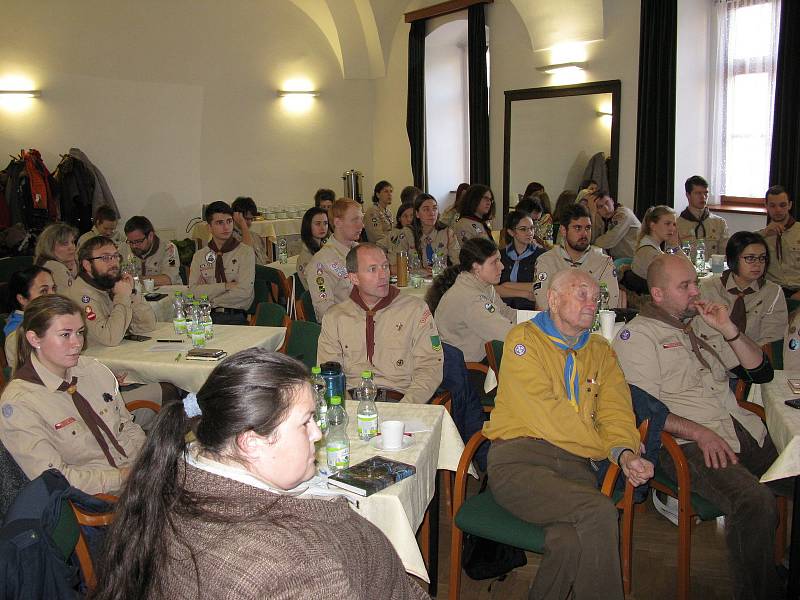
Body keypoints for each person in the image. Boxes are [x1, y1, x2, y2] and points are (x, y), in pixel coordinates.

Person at [91, 349, 428, 600]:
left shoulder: (170, 482)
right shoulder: (289, 568)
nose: (317, 434)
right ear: (251, 442)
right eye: (306, 421)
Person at [614, 253, 784, 600]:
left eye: (695, 282)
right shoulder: (638, 336)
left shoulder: (704, 322)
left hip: (742, 428)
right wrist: (698, 432)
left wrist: (728, 329)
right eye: (685, 286)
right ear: (658, 294)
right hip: (686, 445)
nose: (696, 291)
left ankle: (773, 566)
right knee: (756, 503)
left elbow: (761, 371)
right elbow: (641, 409)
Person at [484, 269, 652, 600]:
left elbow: (616, 411)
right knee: (599, 512)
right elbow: (551, 417)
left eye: (596, 297)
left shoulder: (601, 351)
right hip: (519, 461)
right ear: (553, 299)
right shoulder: (524, 340)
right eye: (581, 295)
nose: (592, 304)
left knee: (568, 541)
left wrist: (626, 452)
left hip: (576, 467)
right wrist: (610, 450)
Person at [0, 295, 145, 495]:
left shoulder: (93, 370)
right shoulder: (20, 403)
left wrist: (148, 461)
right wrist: (123, 477)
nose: (77, 343)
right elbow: (56, 479)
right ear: (35, 339)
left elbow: (126, 425)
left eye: (80, 332)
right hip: (99, 498)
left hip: (140, 478)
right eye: (65, 335)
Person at [317, 243, 443, 403]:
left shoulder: (415, 310)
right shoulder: (335, 317)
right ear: (354, 278)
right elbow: (330, 372)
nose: (383, 275)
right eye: (373, 269)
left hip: (400, 399)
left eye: (385, 266)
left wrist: (407, 407)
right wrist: (347, 408)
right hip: (351, 401)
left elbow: (430, 366)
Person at [427, 237, 516, 362]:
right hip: (465, 370)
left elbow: (505, 313)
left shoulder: (483, 285)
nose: (501, 266)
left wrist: (539, 320)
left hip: (477, 358)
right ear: (476, 267)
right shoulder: (470, 298)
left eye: (499, 260)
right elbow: (506, 333)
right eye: (494, 262)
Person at [65, 236, 156, 347]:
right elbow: (110, 339)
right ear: (87, 265)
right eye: (105, 258)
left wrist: (131, 292)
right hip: (96, 360)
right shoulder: (81, 296)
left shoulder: (107, 283)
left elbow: (147, 326)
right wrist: (122, 297)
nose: (114, 263)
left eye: (116, 256)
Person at [700, 231, 787, 346]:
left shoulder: (773, 292)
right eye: (750, 258)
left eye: (762, 258)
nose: (757, 264)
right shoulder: (709, 287)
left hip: (754, 357)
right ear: (734, 258)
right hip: (713, 355)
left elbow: (772, 339)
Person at [533, 204, 620, 309]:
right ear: (563, 230)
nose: (584, 234)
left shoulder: (604, 263)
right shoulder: (546, 261)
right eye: (578, 228)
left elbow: (609, 303)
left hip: (592, 323)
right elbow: (544, 302)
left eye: (588, 228)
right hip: (555, 324)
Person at [188, 201, 255, 325]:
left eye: (229, 221)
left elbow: (244, 293)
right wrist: (225, 286)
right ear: (209, 227)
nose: (226, 227)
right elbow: (192, 292)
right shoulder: (200, 256)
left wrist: (208, 295)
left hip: (234, 316)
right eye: (220, 223)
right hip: (205, 316)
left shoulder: (245, 253)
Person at [310, 198, 363, 319]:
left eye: (361, 219)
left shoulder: (360, 251)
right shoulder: (321, 262)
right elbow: (325, 310)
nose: (361, 225)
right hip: (347, 326)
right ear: (338, 222)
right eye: (355, 220)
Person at [389, 194, 460, 271]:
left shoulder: (447, 233)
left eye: (434, 208)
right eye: (426, 210)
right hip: (415, 280)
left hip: (441, 279)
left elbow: (458, 263)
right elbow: (393, 267)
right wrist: (420, 271)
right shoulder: (407, 233)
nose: (432, 213)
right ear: (417, 214)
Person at [4, 266, 56, 370]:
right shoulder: (17, 336)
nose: (53, 295)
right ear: (22, 299)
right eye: (44, 291)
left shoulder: (46, 318)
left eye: (53, 288)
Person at [497, 210, 545, 310]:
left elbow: (541, 286)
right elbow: (492, 288)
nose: (529, 233)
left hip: (529, 309)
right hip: (501, 307)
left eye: (531, 228)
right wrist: (525, 293)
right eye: (523, 229)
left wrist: (506, 285)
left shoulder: (542, 255)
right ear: (511, 232)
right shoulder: (500, 255)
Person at [759, 185, 800, 298]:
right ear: (766, 206)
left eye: (782, 205)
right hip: (771, 292)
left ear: (790, 205)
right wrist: (765, 233)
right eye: (772, 206)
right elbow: (739, 254)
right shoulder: (759, 237)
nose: (778, 210)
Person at [676, 175, 730, 256]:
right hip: (688, 268)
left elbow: (725, 255)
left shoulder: (719, 223)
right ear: (688, 195)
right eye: (698, 193)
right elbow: (672, 254)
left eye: (706, 193)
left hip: (714, 267)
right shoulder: (677, 224)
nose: (703, 197)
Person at [123, 216, 182, 285]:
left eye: (138, 241)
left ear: (150, 236)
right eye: (130, 242)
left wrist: (134, 280)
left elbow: (168, 280)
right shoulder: (123, 248)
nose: (134, 246)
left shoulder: (170, 249)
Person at [631, 205, 680, 279]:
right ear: (653, 226)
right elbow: (686, 273)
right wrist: (675, 246)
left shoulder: (651, 245)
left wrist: (674, 246)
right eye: (667, 224)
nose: (672, 228)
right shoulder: (649, 252)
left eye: (674, 224)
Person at [590, 192, 641, 260]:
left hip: (633, 261)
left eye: (607, 203)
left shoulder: (623, 214)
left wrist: (594, 241)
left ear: (612, 201)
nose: (606, 208)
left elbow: (608, 241)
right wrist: (593, 214)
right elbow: (592, 238)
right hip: (620, 260)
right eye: (600, 207)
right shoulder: (602, 218)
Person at [35, 222, 79, 292]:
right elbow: (75, 298)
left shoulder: (44, 262)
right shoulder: (55, 267)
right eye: (64, 243)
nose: (72, 247)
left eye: (73, 242)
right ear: (49, 247)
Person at [297, 207, 329, 291]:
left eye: (325, 223)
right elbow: (319, 288)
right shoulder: (307, 257)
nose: (323, 227)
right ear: (308, 226)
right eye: (318, 224)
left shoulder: (323, 247)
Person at [231, 196, 268, 265]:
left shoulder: (256, 236)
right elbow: (247, 255)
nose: (249, 222)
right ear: (236, 216)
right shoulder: (230, 237)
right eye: (246, 219)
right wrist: (242, 223)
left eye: (251, 219)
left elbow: (264, 260)